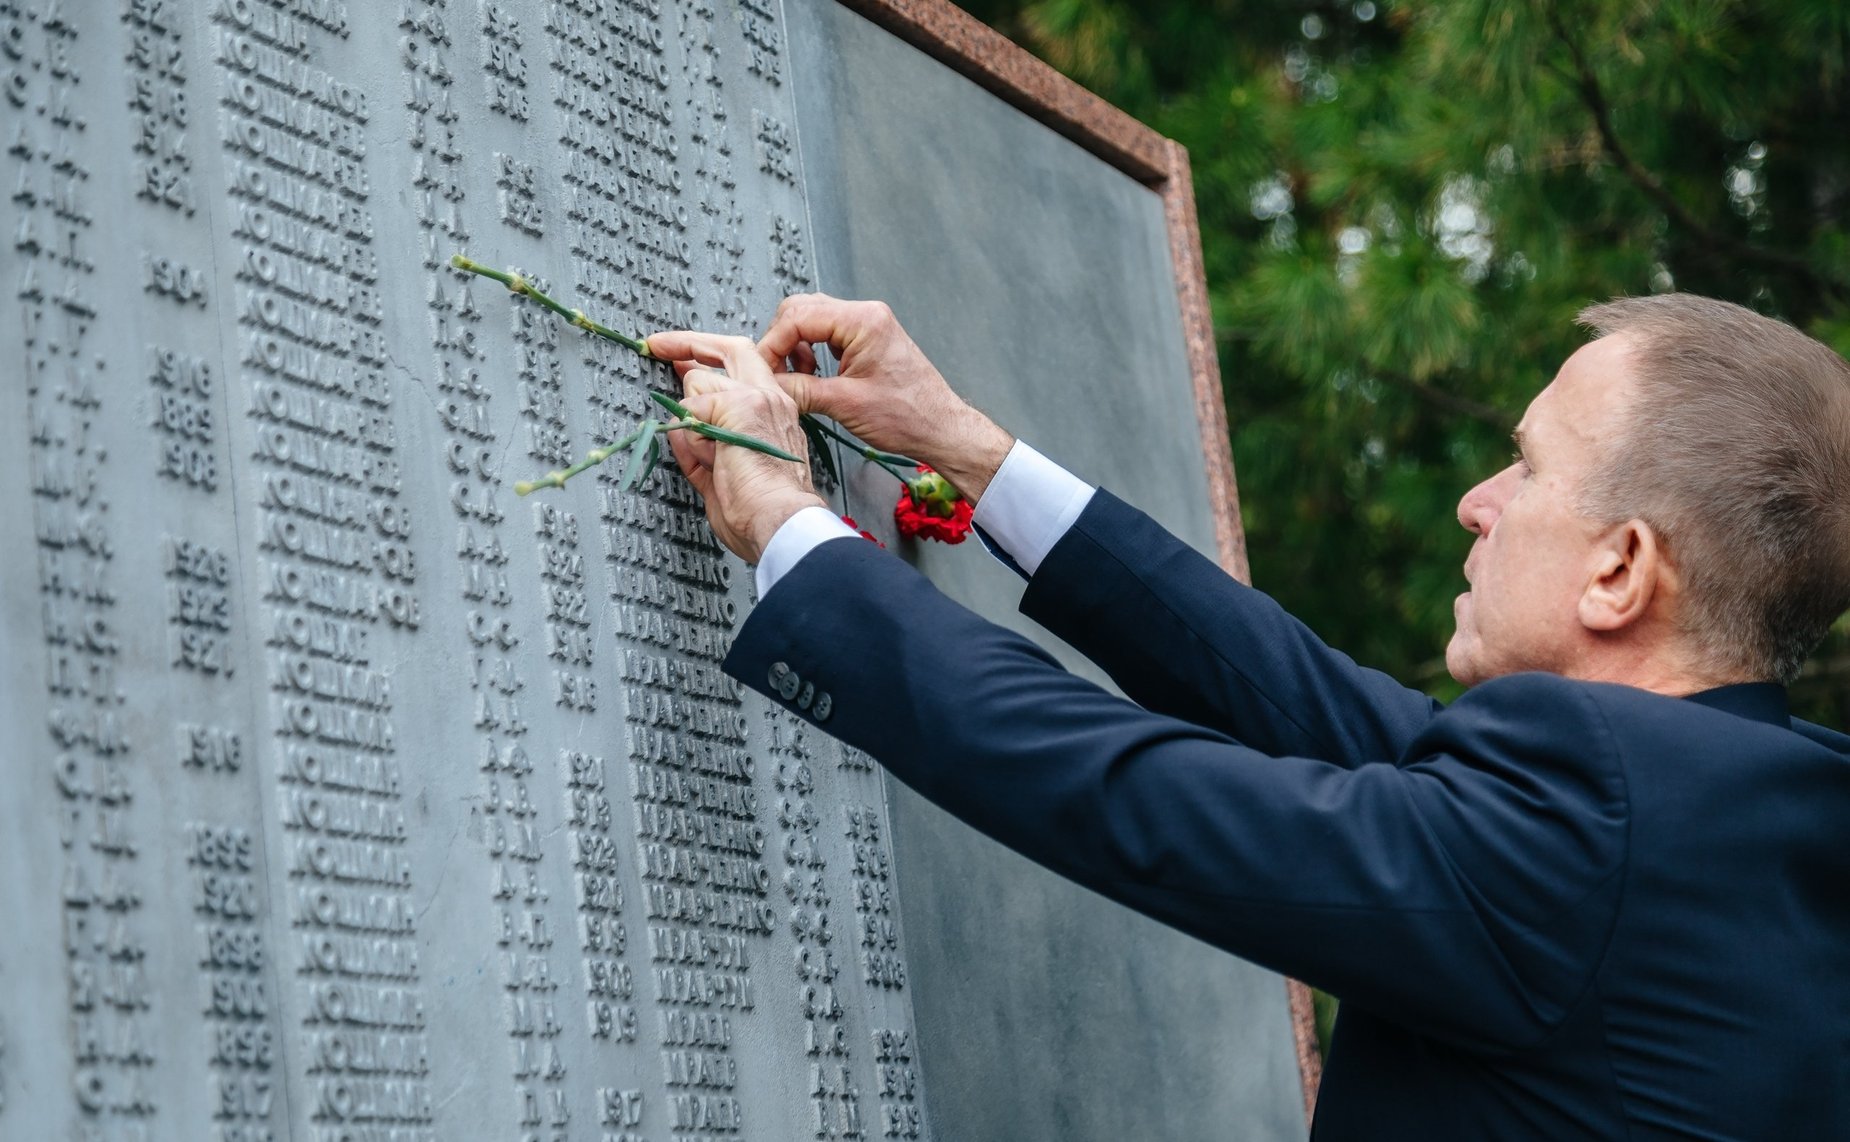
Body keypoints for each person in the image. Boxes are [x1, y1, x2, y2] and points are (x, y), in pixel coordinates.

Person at [643, 293, 1850, 1139]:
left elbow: (1130, 788)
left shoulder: (1586, 836)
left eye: (1525, 468)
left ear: (1619, 570)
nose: (1478, 504)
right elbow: (1299, 699)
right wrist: (962, 444)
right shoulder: (1746, 805)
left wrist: (786, 521)